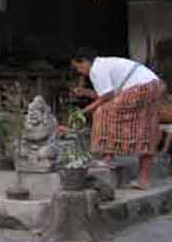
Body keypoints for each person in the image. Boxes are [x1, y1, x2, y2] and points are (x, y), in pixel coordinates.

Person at [70, 48, 166, 189]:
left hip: (141, 88)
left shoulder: (96, 68)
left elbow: (107, 97)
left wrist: (83, 112)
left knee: (102, 112)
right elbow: (110, 95)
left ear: (85, 62)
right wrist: (86, 92)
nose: (79, 71)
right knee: (145, 128)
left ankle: (108, 158)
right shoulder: (106, 64)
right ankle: (143, 180)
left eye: (78, 67)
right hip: (154, 86)